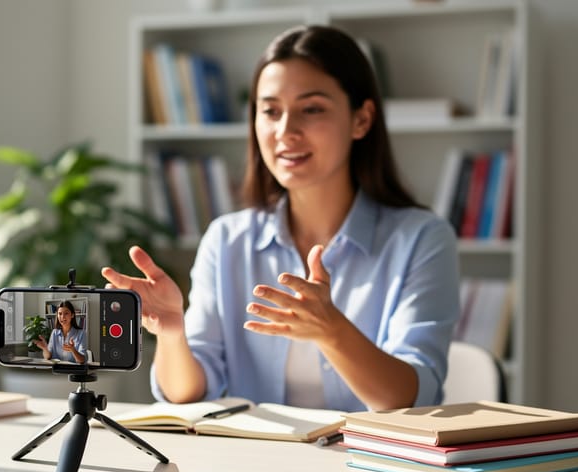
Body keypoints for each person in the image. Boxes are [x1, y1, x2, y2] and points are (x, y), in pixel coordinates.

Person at [102, 25, 459, 412]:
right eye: (270, 111)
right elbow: (188, 394)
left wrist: (331, 330)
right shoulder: (226, 239)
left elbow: (411, 398)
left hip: (369, 453)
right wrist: (173, 336)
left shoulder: (421, 239)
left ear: (361, 119)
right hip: (256, 452)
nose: (286, 131)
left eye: (312, 109)